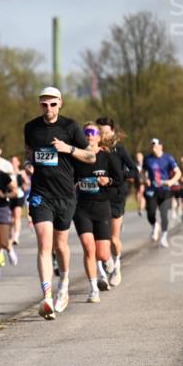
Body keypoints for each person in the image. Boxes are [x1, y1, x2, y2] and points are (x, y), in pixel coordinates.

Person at [23, 86, 95, 320]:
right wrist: (28, 164)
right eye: (44, 104)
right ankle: (46, 297)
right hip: (41, 194)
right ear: (40, 104)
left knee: (60, 245)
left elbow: (91, 156)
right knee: (44, 244)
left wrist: (69, 148)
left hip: (65, 194)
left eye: (53, 104)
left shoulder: (70, 127)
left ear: (60, 103)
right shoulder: (31, 128)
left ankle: (64, 282)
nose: (49, 108)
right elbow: (28, 152)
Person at [72, 123, 122, 302]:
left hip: (102, 207)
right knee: (88, 248)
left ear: (99, 137)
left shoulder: (107, 157)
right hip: (82, 208)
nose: (90, 136)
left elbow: (119, 180)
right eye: (86, 133)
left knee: (102, 254)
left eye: (93, 133)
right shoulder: (77, 158)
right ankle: (93, 289)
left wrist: (107, 180)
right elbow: (68, 177)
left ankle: (109, 261)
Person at [94, 117, 135, 287]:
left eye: (106, 131)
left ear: (112, 131)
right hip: (97, 196)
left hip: (116, 195)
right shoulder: (93, 151)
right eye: (100, 132)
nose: (103, 135)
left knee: (112, 238)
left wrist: (115, 178)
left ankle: (116, 267)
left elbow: (134, 171)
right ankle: (102, 275)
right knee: (97, 238)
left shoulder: (119, 149)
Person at [142, 138, 181, 248]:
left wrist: (171, 181)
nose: (153, 148)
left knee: (164, 214)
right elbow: (142, 173)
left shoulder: (168, 158)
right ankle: (155, 226)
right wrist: (145, 179)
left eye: (156, 145)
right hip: (152, 190)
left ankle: (164, 237)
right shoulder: (147, 158)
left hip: (165, 189)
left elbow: (178, 173)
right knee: (150, 213)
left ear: (161, 146)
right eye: (152, 145)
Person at [9, 155, 29, 246]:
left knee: (17, 216)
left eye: (15, 161)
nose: (13, 163)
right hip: (9, 196)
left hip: (19, 196)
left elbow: (27, 183)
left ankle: (16, 236)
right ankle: (11, 234)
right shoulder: (8, 172)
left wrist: (25, 185)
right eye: (11, 161)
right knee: (11, 218)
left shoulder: (22, 172)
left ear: (18, 162)